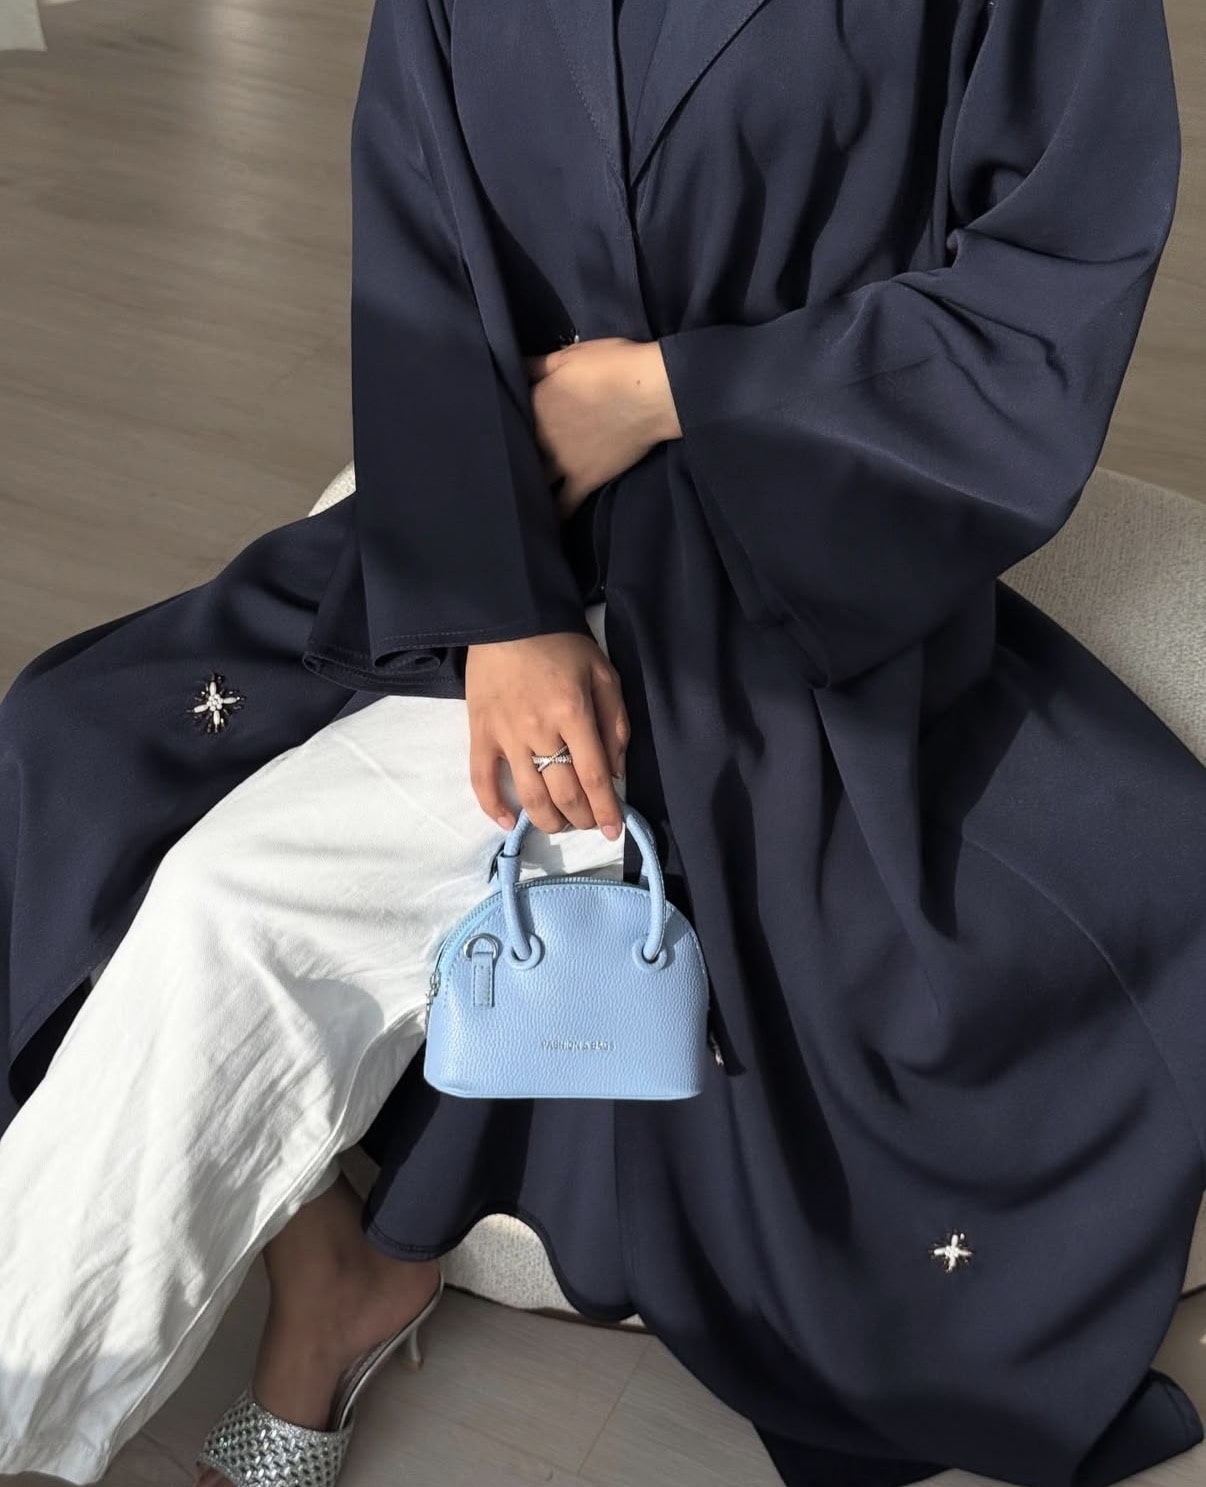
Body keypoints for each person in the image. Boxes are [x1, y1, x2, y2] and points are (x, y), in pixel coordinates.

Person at [1, 0, 1204, 1484]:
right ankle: (329, 1272)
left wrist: (664, 391)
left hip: (792, 557)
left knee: (231, 906)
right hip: (497, 519)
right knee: (77, 753)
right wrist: (502, 612)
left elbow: (1046, 295)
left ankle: (307, 1303)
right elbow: (422, 257)